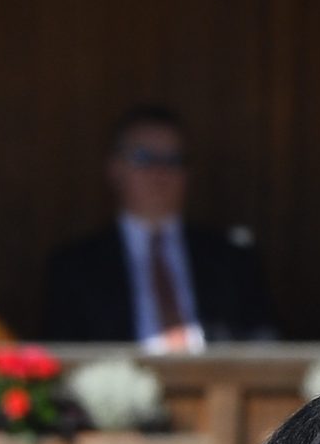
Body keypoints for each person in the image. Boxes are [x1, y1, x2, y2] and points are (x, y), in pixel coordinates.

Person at [42, 105, 275, 347]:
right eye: (144, 158)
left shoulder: (233, 258)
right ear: (115, 169)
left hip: (219, 382)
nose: (159, 172)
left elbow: (265, 343)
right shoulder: (75, 267)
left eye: (173, 160)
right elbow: (62, 355)